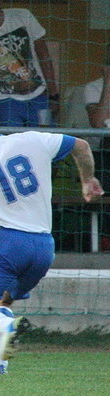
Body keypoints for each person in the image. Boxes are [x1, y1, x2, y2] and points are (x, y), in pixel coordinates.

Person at [0, 101, 104, 375]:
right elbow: (81, 146)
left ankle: (5, 328)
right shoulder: (33, 140)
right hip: (44, 248)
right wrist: (87, 179)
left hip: (9, 244)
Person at [0, 0, 60, 127]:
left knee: (46, 142)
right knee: (11, 144)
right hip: (4, 101)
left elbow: (44, 56)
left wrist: (54, 95)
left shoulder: (23, 16)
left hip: (39, 95)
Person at [84, 46, 110, 250]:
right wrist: (108, 82)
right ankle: (104, 240)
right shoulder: (93, 87)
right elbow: (99, 122)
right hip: (105, 151)